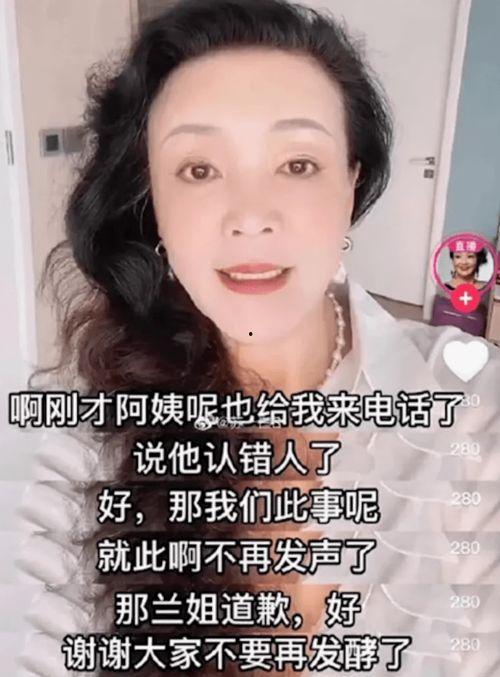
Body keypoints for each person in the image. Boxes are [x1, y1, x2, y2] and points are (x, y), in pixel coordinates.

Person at [16, 1, 500, 675]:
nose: (250, 218)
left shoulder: (474, 404)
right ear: (153, 199)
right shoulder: (73, 454)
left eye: (297, 164)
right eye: (199, 169)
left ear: (352, 182)